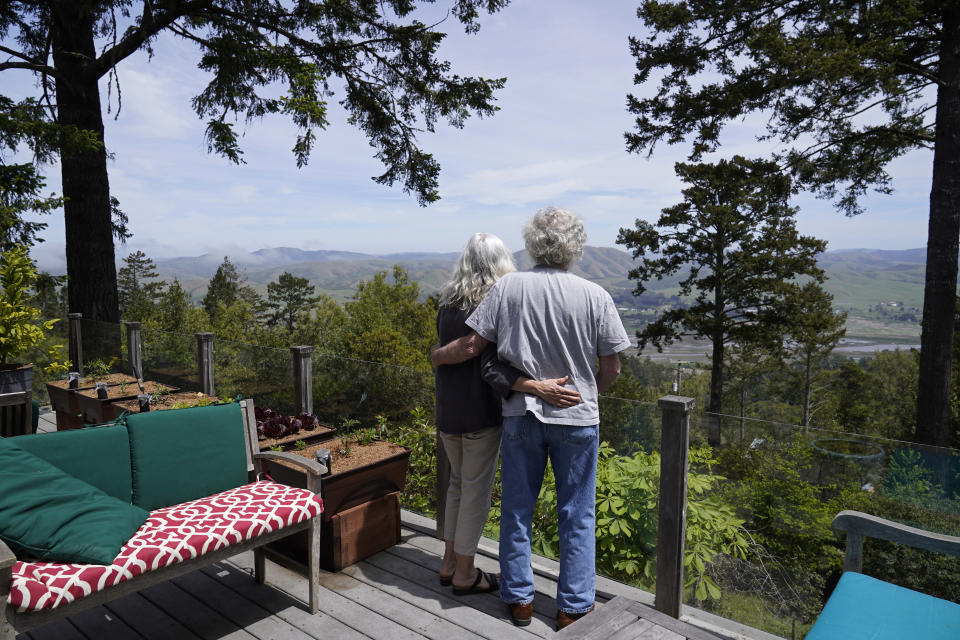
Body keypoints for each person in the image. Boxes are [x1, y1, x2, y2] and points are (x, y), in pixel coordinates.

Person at [461, 207, 631, 630]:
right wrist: (584, 395)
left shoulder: (507, 288)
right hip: (576, 418)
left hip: (521, 414)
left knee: (517, 508)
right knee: (578, 512)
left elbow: (476, 345)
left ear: (533, 241)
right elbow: (611, 369)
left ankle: (519, 599)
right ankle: (573, 606)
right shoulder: (596, 296)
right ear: (575, 243)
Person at [431, 232, 582, 596]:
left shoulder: (448, 303)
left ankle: (449, 562)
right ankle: (466, 573)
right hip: (480, 411)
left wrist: (435, 355)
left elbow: (454, 350)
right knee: (476, 491)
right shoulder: (494, 302)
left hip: (448, 411)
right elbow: (478, 351)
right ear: (501, 263)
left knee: (456, 486)